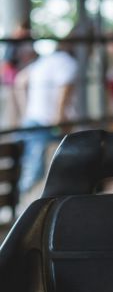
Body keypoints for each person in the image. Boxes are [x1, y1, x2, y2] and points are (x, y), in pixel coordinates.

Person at [15, 37, 78, 196]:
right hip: (48, 123)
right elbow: (64, 92)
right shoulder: (68, 62)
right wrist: (60, 118)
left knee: (32, 168)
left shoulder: (44, 61)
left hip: (33, 119)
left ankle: (24, 204)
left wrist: (26, 111)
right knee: (40, 170)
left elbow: (20, 81)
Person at [1, 19, 36, 130]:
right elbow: (8, 61)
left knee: (19, 106)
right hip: (13, 78)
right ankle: (15, 130)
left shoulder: (23, 41)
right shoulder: (15, 41)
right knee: (15, 107)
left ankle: (19, 129)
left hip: (18, 78)